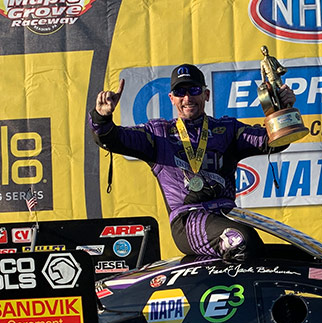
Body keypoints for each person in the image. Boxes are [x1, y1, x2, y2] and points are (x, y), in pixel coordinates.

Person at [89, 63, 295, 261]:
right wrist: (102, 118)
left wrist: (280, 108)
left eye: (194, 90)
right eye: (180, 92)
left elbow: (274, 141)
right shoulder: (158, 134)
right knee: (239, 240)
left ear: (206, 94)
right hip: (187, 219)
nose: (187, 98)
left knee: (271, 250)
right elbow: (112, 139)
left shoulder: (227, 130)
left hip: (227, 214)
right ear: (171, 98)